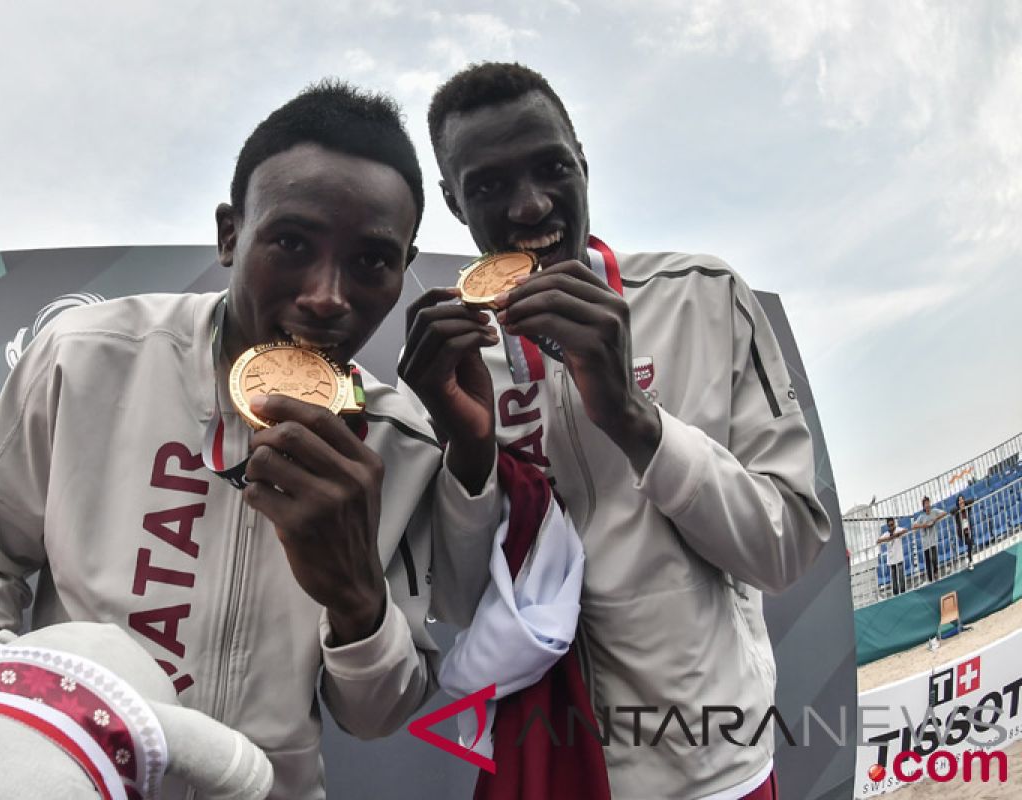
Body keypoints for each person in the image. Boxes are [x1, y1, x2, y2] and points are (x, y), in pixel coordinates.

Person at [0, 82, 497, 800]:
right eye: (292, 242)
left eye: (371, 262)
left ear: (403, 266)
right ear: (231, 234)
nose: (328, 295)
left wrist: (357, 598)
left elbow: (377, 716)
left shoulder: (400, 442)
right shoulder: (86, 354)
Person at [400, 62, 831, 799]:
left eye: (550, 167)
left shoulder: (702, 296)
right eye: (489, 185)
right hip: (550, 766)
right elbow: (465, 605)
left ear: (583, 163)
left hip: (715, 770)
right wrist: (468, 450)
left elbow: (785, 547)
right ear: (451, 199)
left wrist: (634, 421)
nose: (531, 205)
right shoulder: (451, 363)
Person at [913, 495, 946, 582]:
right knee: (928, 562)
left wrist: (935, 519)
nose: (927, 505)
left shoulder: (934, 511)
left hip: (933, 540)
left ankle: (936, 572)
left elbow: (944, 513)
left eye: (928, 503)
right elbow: (913, 526)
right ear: (923, 506)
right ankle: (930, 579)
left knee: (934, 558)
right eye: (925, 504)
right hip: (925, 542)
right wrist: (923, 525)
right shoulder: (921, 517)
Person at [876, 517, 910, 595]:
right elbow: (878, 541)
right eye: (889, 525)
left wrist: (897, 535)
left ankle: (903, 592)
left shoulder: (898, 529)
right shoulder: (886, 534)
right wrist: (888, 538)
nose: (891, 527)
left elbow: (905, 530)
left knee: (901, 577)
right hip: (891, 560)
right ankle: (896, 594)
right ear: (887, 526)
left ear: (894, 524)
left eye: (892, 524)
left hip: (899, 557)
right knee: (894, 579)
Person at [954, 494, 975, 570]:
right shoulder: (957, 512)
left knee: (970, 542)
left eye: (962, 499)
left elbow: (972, 500)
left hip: (968, 530)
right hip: (961, 533)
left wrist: (964, 503)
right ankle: (970, 561)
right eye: (959, 500)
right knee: (969, 542)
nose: (961, 501)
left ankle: (970, 559)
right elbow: (951, 511)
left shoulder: (967, 508)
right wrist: (959, 508)